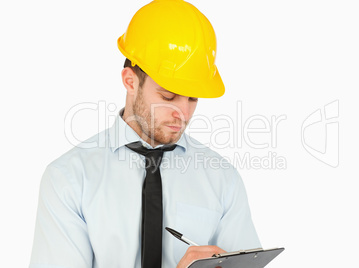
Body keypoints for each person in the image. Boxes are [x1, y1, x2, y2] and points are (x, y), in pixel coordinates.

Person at [29, 0, 261, 267]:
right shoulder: (69, 179)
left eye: (193, 99)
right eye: (168, 96)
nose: (183, 114)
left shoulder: (222, 178)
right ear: (130, 81)